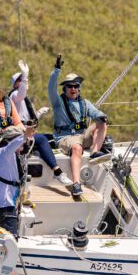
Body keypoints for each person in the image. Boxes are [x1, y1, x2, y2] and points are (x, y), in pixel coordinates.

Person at [47, 54, 110, 197]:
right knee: (77, 148)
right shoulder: (58, 102)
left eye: (76, 86)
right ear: (65, 89)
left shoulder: (85, 103)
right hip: (65, 138)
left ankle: (94, 152)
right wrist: (56, 70)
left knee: (101, 122)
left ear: (79, 88)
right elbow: (51, 88)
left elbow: (95, 112)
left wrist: (102, 116)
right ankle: (76, 184)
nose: (73, 88)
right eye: (70, 86)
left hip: (82, 136)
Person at [8, 61, 72, 186]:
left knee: (51, 138)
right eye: (19, 80)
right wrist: (25, 75)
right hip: (20, 133)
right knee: (42, 139)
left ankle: (47, 153)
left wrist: (38, 114)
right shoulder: (15, 95)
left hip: (27, 130)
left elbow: (27, 118)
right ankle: (57, 172)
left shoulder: (21, 99)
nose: (22, 81)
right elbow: (22, 92)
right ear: (15, 84)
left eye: (22, 79)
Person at [0, 123, 37, 236]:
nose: (24, 143)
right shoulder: (4, 153)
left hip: (2, 203)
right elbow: (12, 146)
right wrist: (24, 135)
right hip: (4, 205)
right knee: (11, 239)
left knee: (2, 237)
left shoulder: (11, 156)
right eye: (22, 142)